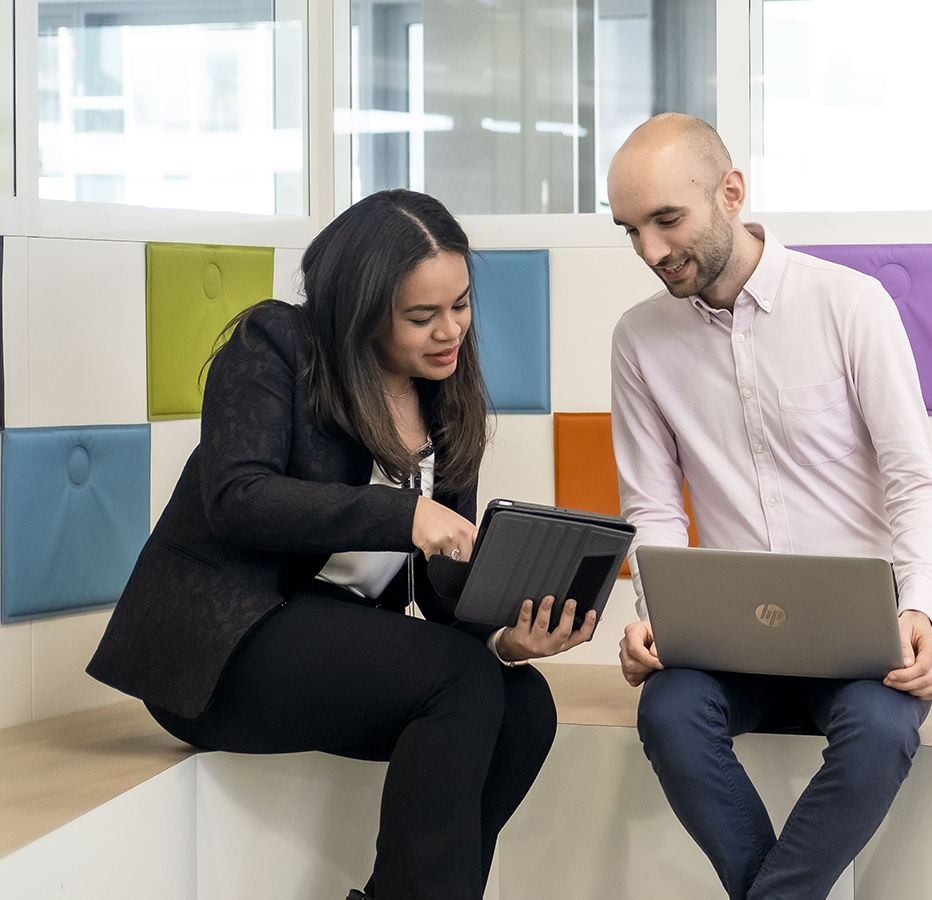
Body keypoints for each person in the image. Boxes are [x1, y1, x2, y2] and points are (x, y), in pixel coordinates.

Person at [86, 189, 597, 900]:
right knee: (460, 679)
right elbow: (237, 496)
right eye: (422, 316)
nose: (450, 331)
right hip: (222, 651)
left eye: (460, 305)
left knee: (525, 705)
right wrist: (403, 516)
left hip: (334, 645)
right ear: (359, 308)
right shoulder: (274, 344)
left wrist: (509, 637)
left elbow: (444, 601)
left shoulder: (447, 399)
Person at [608, 114, 932, 900]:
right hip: (728, 642)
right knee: (668, 713)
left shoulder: (849, 305)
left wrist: (922, 612)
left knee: (882, 732)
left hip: (857, 635)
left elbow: (914, 483)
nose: (651, 252)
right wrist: (651, 611)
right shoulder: (638, 339)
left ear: (731, 193)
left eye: (667, 220)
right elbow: (653, 506)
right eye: (631, 230)